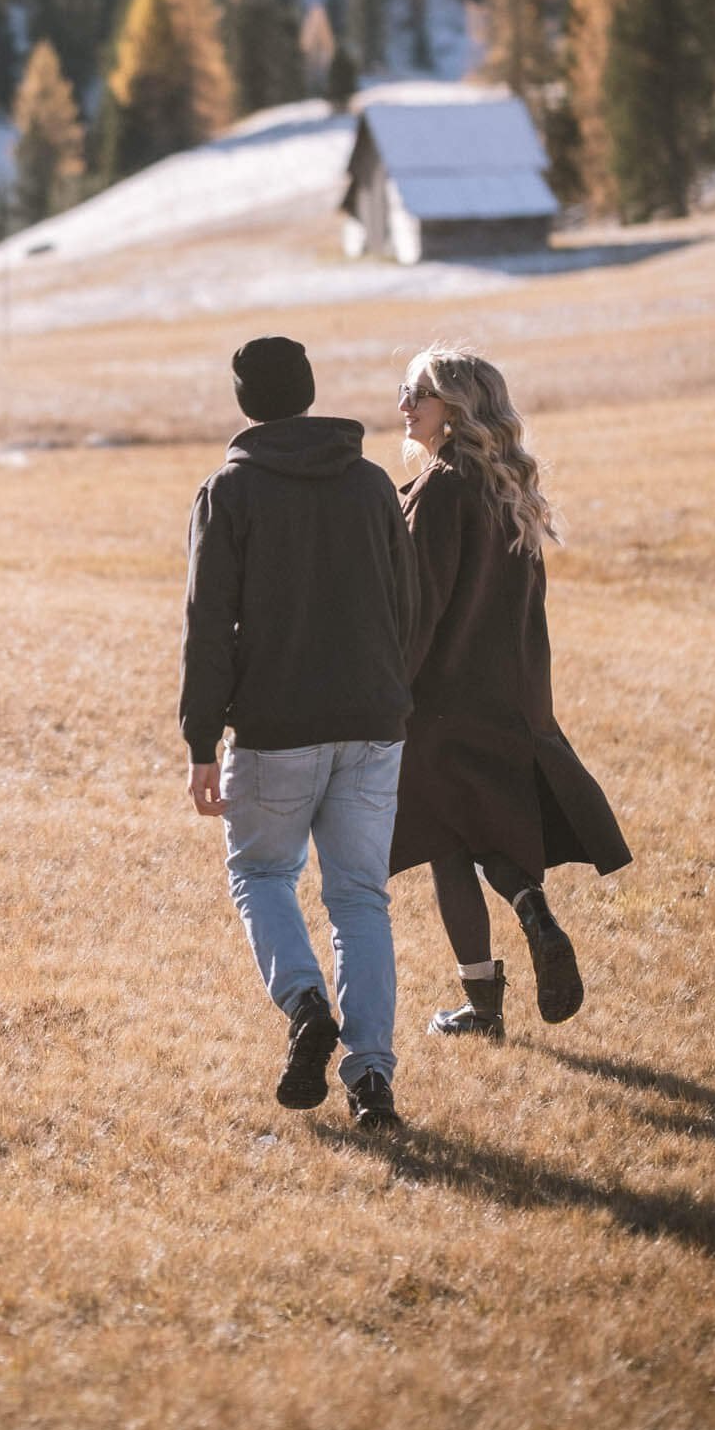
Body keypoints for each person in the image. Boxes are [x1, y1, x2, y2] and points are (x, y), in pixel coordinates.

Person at [180, 335, 417, 1127]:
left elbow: (208, 626)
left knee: (261, 874)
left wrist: (197, 742)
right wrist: (390, 696)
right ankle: (372, 1076)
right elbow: (405, 606)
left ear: (246, 401)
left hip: (276, 728)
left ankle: (306, 1006)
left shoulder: (228, 493)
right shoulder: (371, 483)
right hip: (374, 720)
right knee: (359, 900)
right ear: (311, 390)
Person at [391, 344, 630, 1039]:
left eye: (416, 394)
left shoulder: (440, 489)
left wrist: (388, 693)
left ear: (455, 408)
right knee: (482, 826)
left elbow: (421, 609)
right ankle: (530, 908)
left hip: (442, 697)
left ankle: (483, 1005)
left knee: (444, 840)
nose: (402, 406)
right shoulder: (506, 485)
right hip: (512, 692)